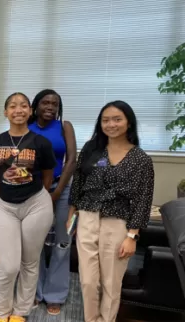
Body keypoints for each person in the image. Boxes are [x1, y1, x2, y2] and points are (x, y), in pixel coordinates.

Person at [68, 100, 154, 322]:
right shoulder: (91, 149)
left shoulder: (140, 159)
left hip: (117, 223)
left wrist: (132, 236)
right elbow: (78, 181)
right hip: (87, 217)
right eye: (105, 120)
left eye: (117, 119)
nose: (111, 124)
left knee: (111, 284)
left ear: (128, 123)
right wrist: (72, 216)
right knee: (87, 281)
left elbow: (143, 199)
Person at [0, 92, 56, 322]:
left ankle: (20, 312)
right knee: (8, 266)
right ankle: (1, 311)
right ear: (5, 112)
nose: (19, 110)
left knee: (29, 262)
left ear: (30, 111)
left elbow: (47, 177)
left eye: (24, 106)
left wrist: (35, 195)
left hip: (36, 205)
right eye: (13, 106)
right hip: (6, 207)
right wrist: (3, 194)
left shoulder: (41, 143)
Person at [28, 89, 77, 315]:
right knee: (34, 242)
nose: (50, 107)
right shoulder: (27, 126)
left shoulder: (64, 126)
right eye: (45, 103)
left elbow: (72, 159)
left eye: (55, 104)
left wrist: (56, 194)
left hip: (61, 188)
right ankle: (35, 292)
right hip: (32, 190)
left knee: (62, 241)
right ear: (36, 105)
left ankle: (55, 294)